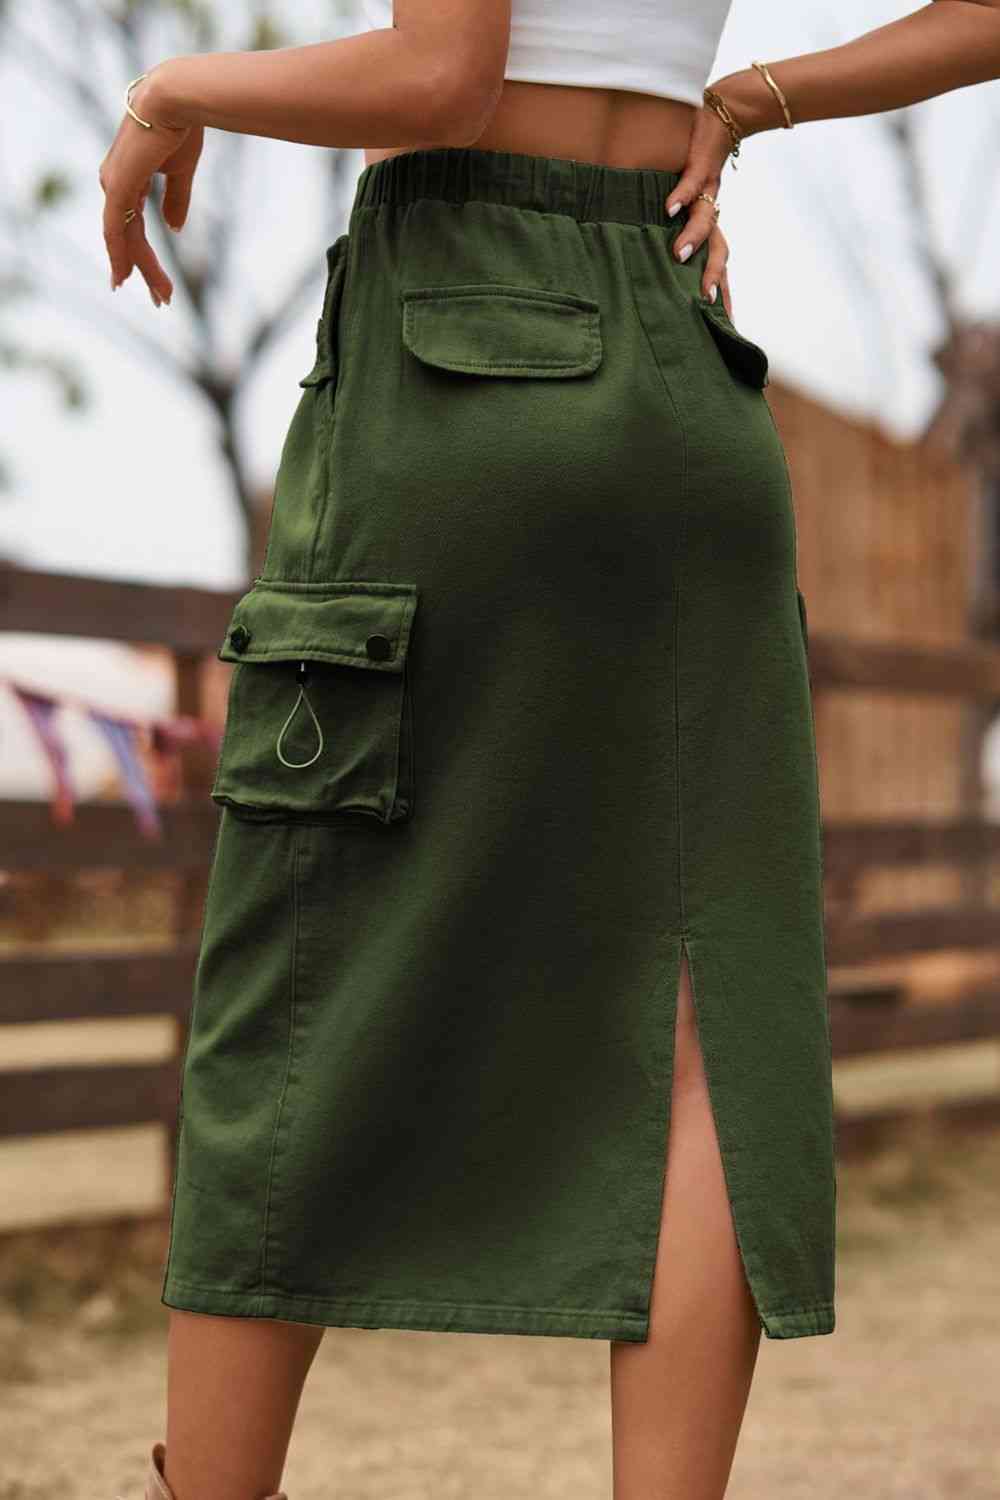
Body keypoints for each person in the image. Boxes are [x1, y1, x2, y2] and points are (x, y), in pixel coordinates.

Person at [98, 5, 1000, 1499]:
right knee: (705, 1007)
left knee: (300, 971)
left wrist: (172, 90)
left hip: (458, 347)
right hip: (681, 357)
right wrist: (749, 100)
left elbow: (440, 78)